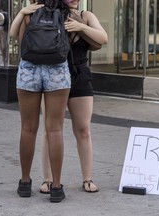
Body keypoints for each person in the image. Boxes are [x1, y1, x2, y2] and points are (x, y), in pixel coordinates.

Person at [39, 0, 108, 194]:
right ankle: (47, 179)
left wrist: (80, 26)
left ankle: (87, 178)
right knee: (49, 129)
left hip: (79, 76)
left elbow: (103, 38)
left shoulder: (86, 16)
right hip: (53, 75)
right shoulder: (47, 13)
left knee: (83, 129)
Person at [9, 0, 71, 203]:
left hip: (29, 69)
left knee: (28, 128)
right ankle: (56, 187)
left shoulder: (29, 12)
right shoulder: (66, 13)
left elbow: (14, 36)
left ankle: (25, 183)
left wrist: (22, 13)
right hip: (57, 70)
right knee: (55, 129)